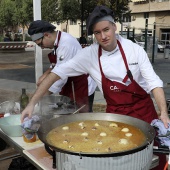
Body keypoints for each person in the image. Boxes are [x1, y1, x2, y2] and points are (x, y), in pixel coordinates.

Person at [22, 6, 169, 169]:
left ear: (114, 26)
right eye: (97, 33)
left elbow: (154, 83)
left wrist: (163, 112)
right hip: (116, 115)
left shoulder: (134, 50)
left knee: (153, 159)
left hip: (143, 112)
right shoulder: (89, 55)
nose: (103, 36)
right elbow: (57, 73)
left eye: (106, 29)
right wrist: (32, 104)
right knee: (116, 160)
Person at [28, 20, 96, 113]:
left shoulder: (66, 44)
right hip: (71, 84)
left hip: (81, 86)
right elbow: (56, 65)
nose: (42, 47)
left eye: (40, 44)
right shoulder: (58, 41)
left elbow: (60, 78)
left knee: (81, 118)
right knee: (69, 114)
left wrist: (42, 95)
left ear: (47, 35)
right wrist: (45, 75)